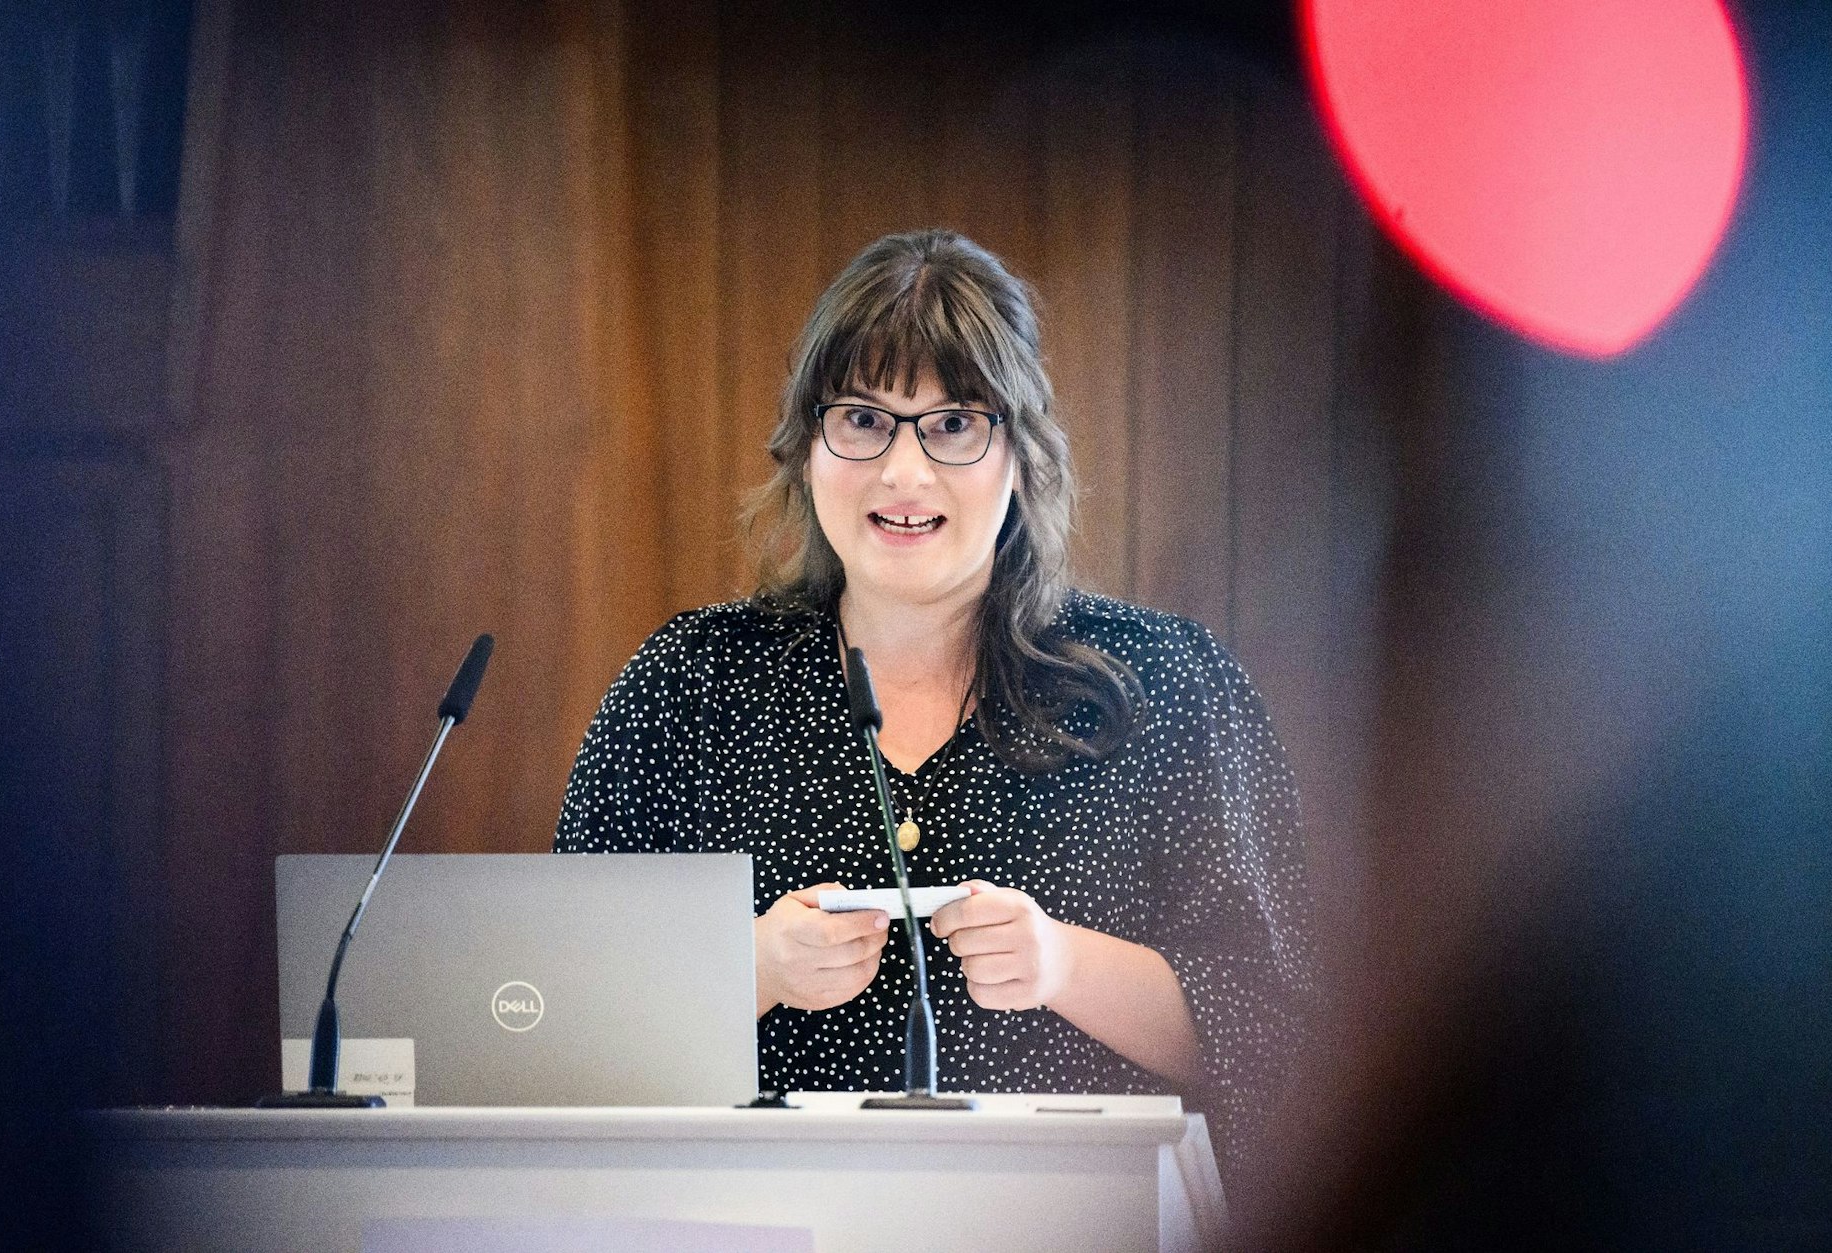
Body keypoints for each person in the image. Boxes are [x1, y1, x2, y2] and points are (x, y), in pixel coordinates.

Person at [555, 229, 1313, 1171]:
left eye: (955, 423)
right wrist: (750, 970)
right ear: (806, 447)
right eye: (864, 420)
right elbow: (555, 1020)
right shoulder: (689, 684)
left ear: (1023, 455)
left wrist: (1063, 966)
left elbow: (1281, 1036)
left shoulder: (1166, 684)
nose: (903, 474)